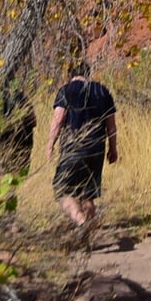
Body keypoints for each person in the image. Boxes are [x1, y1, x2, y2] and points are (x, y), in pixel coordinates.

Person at [44, 60, 118, 245]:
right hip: (96, 149)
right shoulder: (102, 91)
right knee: (88, 194)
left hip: (72, 148)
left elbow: (58, 118)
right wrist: (113, 148)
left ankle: (81, 222)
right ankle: (87, 237)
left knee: (62, 189)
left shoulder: (66, 90)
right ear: (88, 73)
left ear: (71, 74)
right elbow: (111, 125)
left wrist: (50, 144)